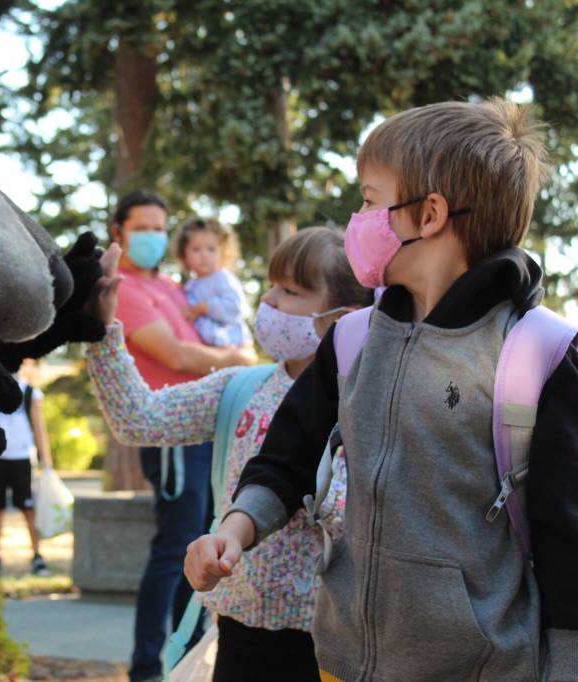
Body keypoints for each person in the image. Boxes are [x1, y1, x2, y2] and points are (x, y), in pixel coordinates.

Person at [185, 99, 578, 681]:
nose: (357, 218)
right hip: (346, 663)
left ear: (428, 214)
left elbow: (571, 540)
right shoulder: (351, 341)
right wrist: (234, 530)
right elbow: (286, 459)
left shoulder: (535, 357)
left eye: (370, 200)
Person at [87, 228, 370, 681]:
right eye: (273, 285)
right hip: (239, 631)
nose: (270, 301)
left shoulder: (371, 404)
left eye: (291, 291)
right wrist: (101, 331)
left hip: (333, 641)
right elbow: (138, 418)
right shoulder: (242, 386)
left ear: (345, 318)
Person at [107, 190, 256, 682]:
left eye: (158, 228)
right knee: (173, 549)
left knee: (194, 544)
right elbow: (176, 355)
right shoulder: (123, 288)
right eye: (142, 227)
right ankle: (147, 667)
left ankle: (182, 655)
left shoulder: (175, 287)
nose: (152, 236)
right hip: (170, 433)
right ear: (118, 232)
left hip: (203, 433)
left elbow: (206, 338)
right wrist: (238, 359)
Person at [0, 359, 54, 577]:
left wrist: (46, 459)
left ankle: (37, 555)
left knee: (28, 508)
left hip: (22, 457)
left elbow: (39, 427)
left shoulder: (31, 393)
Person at [175, 217, 253, 348]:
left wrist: (206, 307)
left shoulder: (223, 278)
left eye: (211, 249)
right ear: (184, 256)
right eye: (196, 249)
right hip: (207, 348)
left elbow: (235, 307)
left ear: (223, 253)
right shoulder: (190, 286)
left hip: (232, 342)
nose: (204, 255)